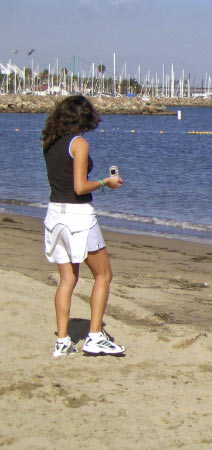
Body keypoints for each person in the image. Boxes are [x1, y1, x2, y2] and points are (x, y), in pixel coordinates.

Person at [42, 95, 125, 357]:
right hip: (78, 217)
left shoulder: (49, 141)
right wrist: (104, 183)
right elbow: (79, 186)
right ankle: (95, 336)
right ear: (85, 118)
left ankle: (62, 340)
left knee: (67, 278)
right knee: (104, 275)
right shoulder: (79, 144)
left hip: (55, 213)